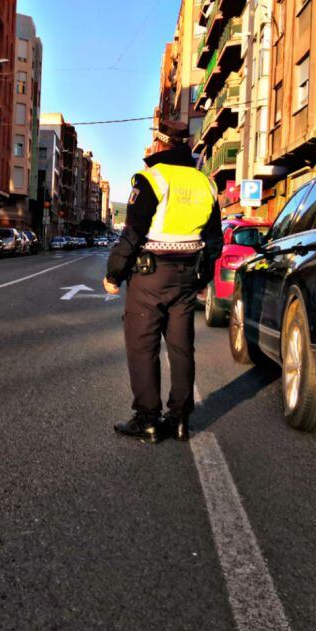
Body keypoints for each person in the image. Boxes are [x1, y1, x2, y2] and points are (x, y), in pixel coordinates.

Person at [104, 120, 223, 443]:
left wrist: (113, 273)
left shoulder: (152, 179)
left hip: (150, 275)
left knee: (143, 346)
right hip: (186, 275)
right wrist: (204, 276)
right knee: (182, 348)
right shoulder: (205, 183)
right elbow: (215, 238)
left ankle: (148, 419)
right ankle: (181, 419)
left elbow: (132, 233)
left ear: (159, 144)